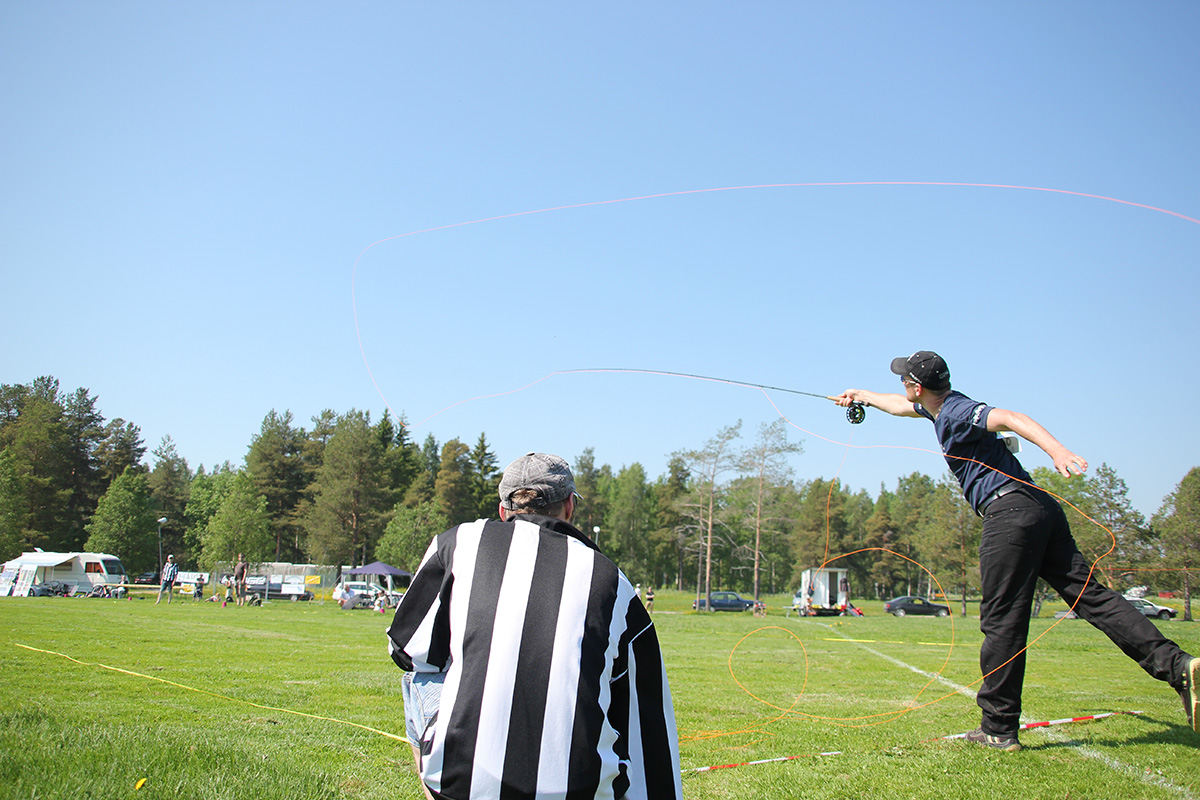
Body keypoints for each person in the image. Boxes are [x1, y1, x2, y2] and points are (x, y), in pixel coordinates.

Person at [835, 351, 1198, 751]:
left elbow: (1010, 417)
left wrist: (1057, 451)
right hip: (1039, 508)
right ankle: (1179, 667)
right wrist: (861, 395)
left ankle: (998, 727)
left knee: (1002, 621)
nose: (902, 386)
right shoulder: (935, 408)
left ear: (918, 387)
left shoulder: (956, 411)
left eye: (905, 380)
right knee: (1091, 597)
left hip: (1010, 514)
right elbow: (898, 405)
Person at [386, 452, 682, 799]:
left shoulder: (458, 542)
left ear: (503, 511)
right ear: (569, 507)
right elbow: (647, 719)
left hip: (463, 787)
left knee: (420, 676)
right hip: (581, 791)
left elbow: (405, 649)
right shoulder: (612, 580)